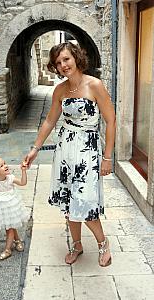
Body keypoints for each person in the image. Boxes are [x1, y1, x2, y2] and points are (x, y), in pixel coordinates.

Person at [25, 42, 116, 266]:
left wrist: (107, 157)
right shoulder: (60, 90)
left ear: (75, 57)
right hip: (65, 151)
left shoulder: (94, 85)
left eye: (66, 59)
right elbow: (49, 121)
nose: (63, 65)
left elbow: (111, 120)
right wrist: (35, 148)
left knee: (85, 200)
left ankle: (103, 243)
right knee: (68, 201)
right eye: (58, 63)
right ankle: (77, 245)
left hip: (87, 152)